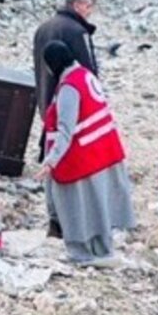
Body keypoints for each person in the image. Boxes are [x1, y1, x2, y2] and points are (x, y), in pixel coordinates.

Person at [37, 41, 136, 266]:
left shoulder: (69, 87)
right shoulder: (85, 75)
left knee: (77, 207)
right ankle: (102, 250)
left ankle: (82, 253)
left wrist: (50, 161)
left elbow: (66, 128)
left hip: (79, 157)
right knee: (97, 205)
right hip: (101, 150)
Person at [32, 0, 101, 111]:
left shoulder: (42, 28)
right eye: (88, 6)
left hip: (45, 99)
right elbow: (88, 70)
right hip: (72, 103)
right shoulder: (78, 31)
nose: (90, 12)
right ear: (76, 6)